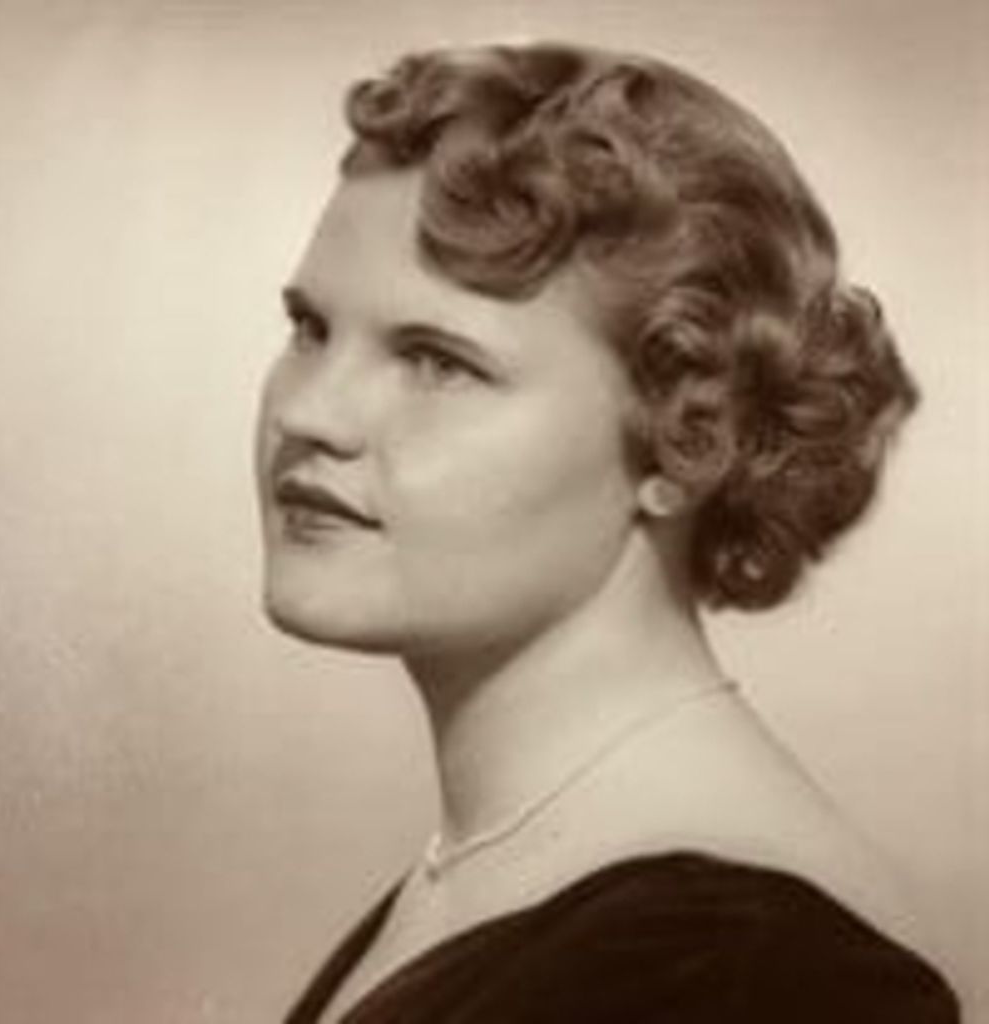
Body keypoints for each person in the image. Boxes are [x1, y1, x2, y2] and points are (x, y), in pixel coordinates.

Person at [255, 41, 960, 1023]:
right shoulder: (497, 865)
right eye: (310, 328)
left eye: (438, 361)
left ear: (688, 440)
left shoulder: (744, 973)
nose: (309, 413)